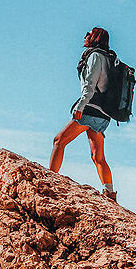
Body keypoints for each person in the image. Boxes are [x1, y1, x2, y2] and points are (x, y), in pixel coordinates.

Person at [50, 26, 119, 201]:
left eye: (89, 34)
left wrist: (80, 106)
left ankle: (49, 180)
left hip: (91, 109)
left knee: (59, 141)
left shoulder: (95, 56)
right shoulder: (108, 58)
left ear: (95, 37)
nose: (85, 35)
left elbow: (90, 85)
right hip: (104, 114)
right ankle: (110, 193)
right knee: (98, 157)